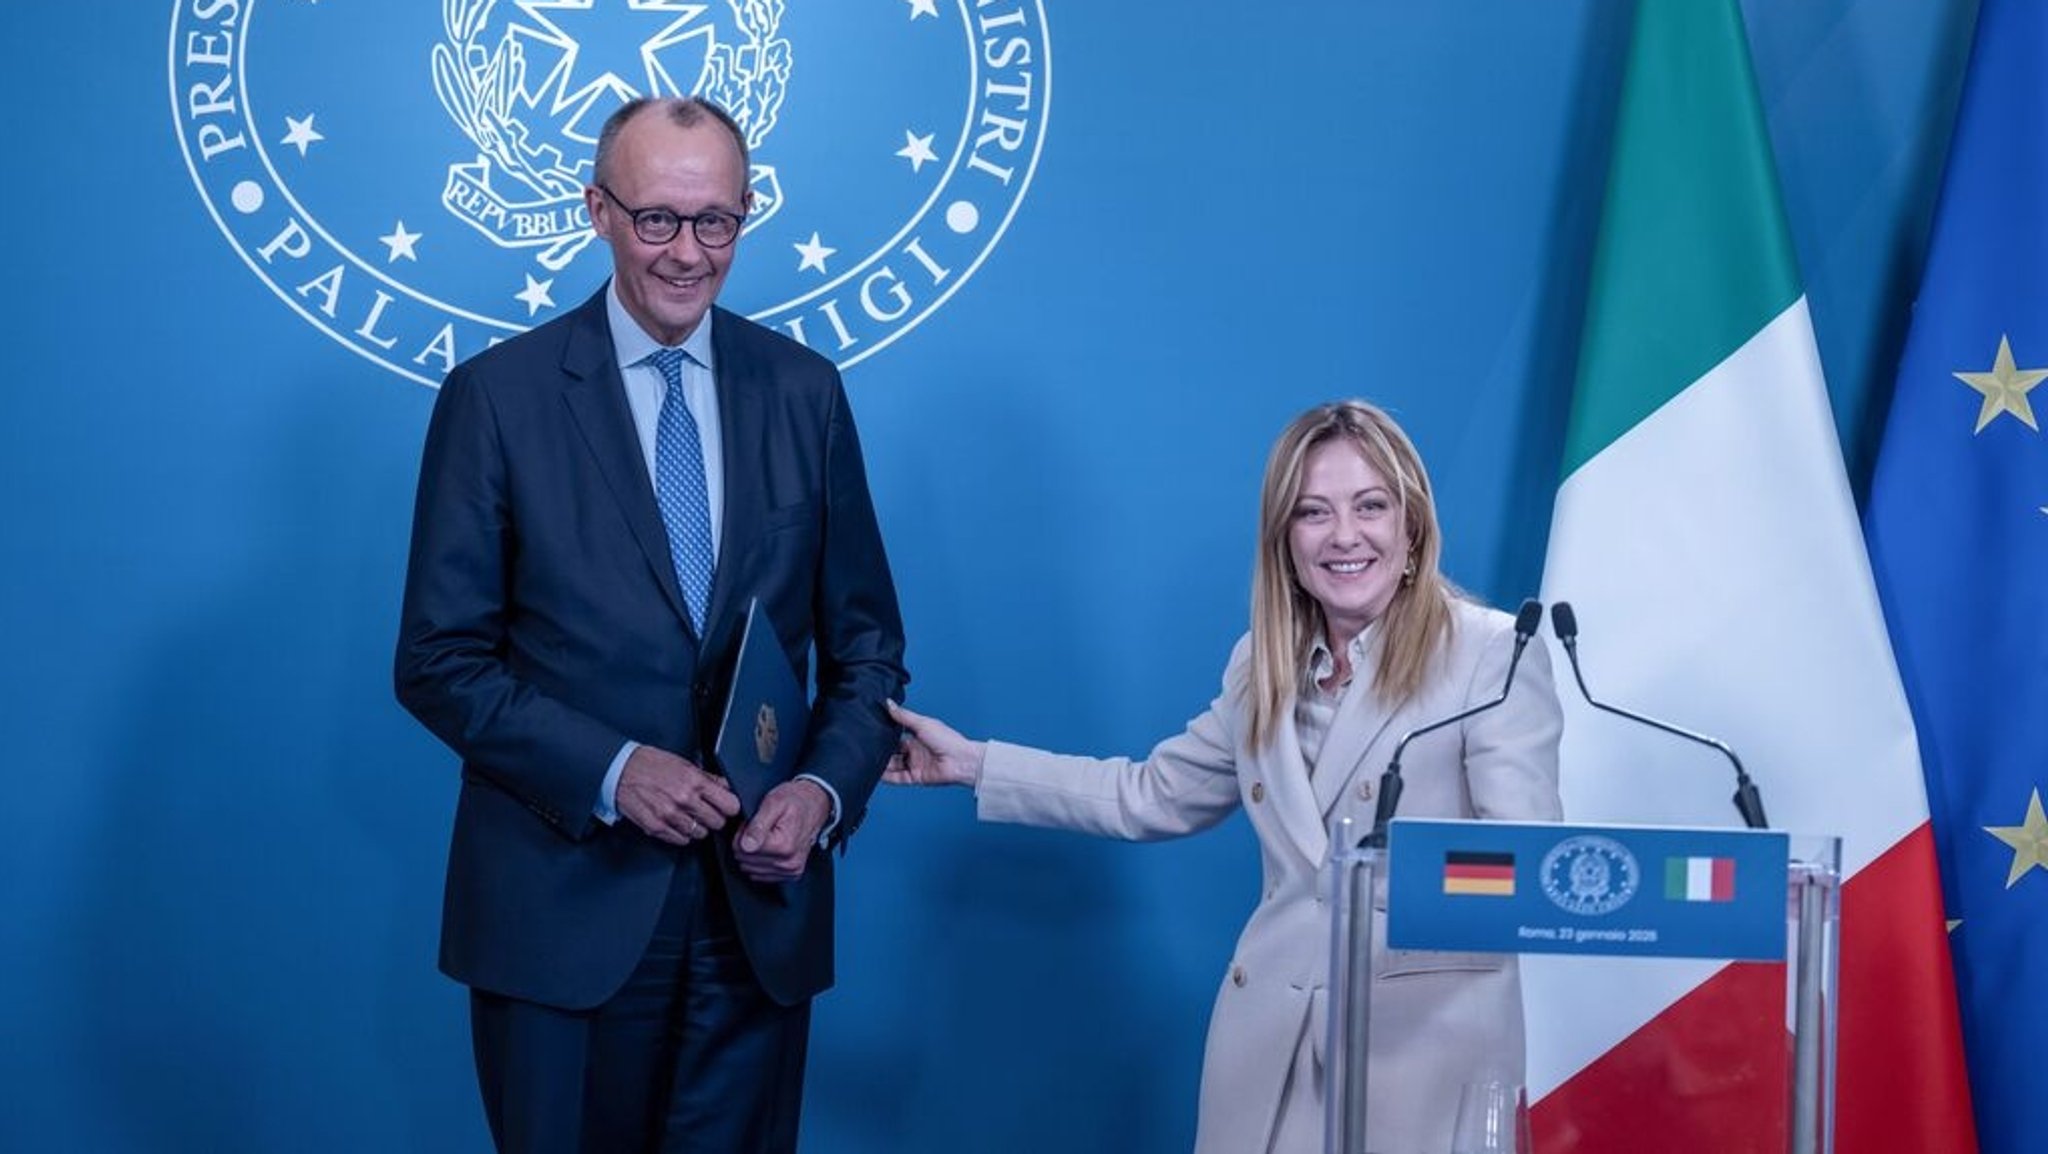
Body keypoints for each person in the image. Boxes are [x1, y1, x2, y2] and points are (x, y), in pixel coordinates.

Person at [394, 95, 907, 1153]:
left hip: (756, 924)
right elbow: (437, 658)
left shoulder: (804, 391)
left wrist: (818, 792)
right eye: (657, 220)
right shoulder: (497, 397)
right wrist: (614, 765)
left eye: (715, 220)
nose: (688, 251)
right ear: (596, 210)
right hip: (561, 916)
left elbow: (864, 651)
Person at [886, 400, 1562, 1154]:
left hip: (1420, 1060)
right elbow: (1149, 796)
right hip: (1267, 1055)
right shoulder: (1260, 664)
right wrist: (973, 763)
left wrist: (1380, 879)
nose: (1345, 536)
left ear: (1412, 529)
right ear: (1285, 542)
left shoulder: (1493, 655)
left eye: (1371, 506)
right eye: (1314, 513)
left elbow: (1527, 876)